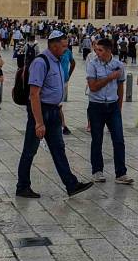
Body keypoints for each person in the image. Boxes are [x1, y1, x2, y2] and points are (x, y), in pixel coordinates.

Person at [17, 31, 94, 198]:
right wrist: (38, 122)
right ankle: (22, 186)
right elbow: (34, 94)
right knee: (30, 150)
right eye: (64, 46)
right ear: (53, 45)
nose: (67, 49)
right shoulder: (41, 62)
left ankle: (71, 184)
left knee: (59, 149)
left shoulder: (58, 61)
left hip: (53, 111)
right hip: (41, 111)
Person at [85, 38, 133, 184]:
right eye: (96, 50)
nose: (96, 52)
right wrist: (109, 77)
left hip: (112, 106)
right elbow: (93, 87)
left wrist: (119, 107)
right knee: (97, 140)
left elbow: (120, 87)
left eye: (100, 50)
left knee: (119, 140)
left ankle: (121, 173)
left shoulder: (118, 65)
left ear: (108, 50)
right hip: (96, 106)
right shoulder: (92, 65)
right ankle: (97, 171)